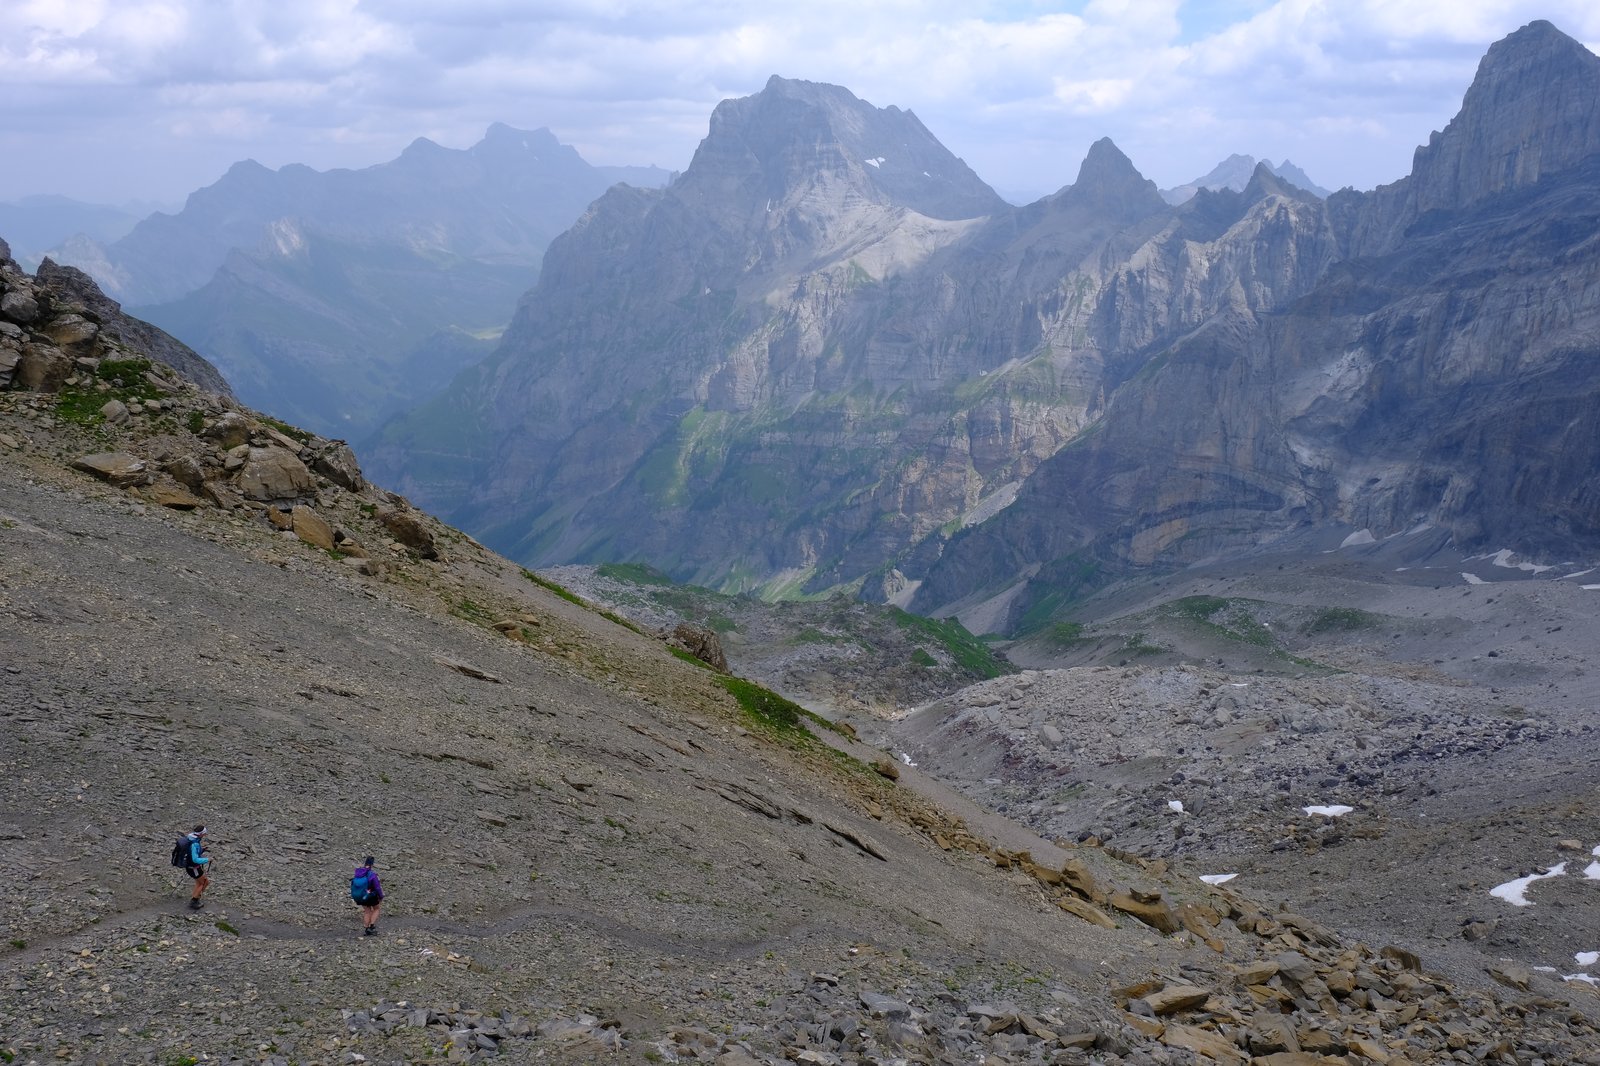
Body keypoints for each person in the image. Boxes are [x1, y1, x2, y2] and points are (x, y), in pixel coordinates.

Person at [351, 855, 383, 936]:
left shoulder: (358, 873)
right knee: (376, 909)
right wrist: (381, 896)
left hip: (361, 896)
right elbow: (377, 887)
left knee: (367, 911)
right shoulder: (372, 874)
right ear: (372, 865)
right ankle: (372, 927)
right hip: (371, 895)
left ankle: (366, 928)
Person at [184, 825, 211, 910]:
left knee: (199, 883)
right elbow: (195, 859)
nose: (205, 835)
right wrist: (207, 859)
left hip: (191, 867)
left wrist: (202, 850)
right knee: (204, 882)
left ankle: (195, 898)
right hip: (194, 867)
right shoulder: (194, 844)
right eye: (204, 833)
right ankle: (194, 901)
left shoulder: (191, 839)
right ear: (201, 834)